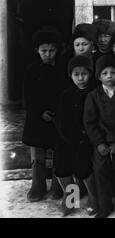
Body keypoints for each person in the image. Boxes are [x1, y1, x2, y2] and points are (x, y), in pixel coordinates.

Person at [84, 55, 115, 218]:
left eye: (113, 72)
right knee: (100, 170)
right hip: (101, 143)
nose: (109, 76)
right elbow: (89, 122)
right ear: (98, 76)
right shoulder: (93, 96)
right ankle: (104, 205)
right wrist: (99, 143)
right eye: (105, 73)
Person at [22, 30, 65, 202]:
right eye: (43, 51)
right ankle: (37, 185)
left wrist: (58, 113)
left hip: (57, 119)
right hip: (37, 119)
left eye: (51, 50)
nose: (47, 54)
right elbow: (28, 96)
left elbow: (65, 94)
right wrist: (40, 112)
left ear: (57, 51)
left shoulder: (62, 70)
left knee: (59, 153)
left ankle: (57, 185)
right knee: (38, 155)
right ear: (37, 51)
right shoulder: (31, 70)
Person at [54, 55, 98, 216]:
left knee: (83, 168)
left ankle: (93, 196)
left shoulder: (94, 93)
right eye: (76, 74)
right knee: (62, 166)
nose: (81, 78)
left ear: (90, 74)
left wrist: (86, 136)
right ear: (71, 76)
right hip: (67, 137)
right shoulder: (66, 95)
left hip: (87, 138)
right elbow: (61, 120)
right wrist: (68, 137)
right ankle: (70, 197)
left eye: (84, 74)